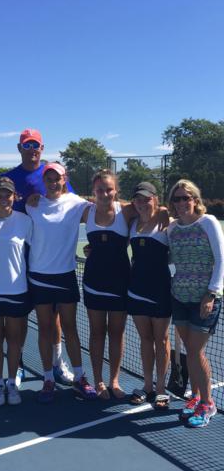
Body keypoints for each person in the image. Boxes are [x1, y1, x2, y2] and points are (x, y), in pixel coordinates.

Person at [0, 129, 74, 386]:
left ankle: (59, 363)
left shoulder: (53, 173)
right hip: (18, 260)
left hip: (49, 260)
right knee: (22, 315)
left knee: (55, 318)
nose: (32, 149)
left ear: (42, 147)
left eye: (36, 144)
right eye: (27, 145)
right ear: (20, 148)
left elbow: (73, 202)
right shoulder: (9, 178)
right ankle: (19, 363)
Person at [26, 162, 97, 402]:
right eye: (49, 179)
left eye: (57, 178)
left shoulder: (77, 203)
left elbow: (108, 210)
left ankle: (80, 377)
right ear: (43, 181)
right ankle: (48, 379)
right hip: (39, 276)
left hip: (65, 275)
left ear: (64, 179)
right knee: (45, 329)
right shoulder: (32, 205)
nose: (53, 182)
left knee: (70, 328)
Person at [167, 179, 224, 427]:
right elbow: (167, 257)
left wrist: (211, 294)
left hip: (204, 300)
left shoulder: (207, 223)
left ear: (195, 200)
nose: (181, 203)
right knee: (189, 351)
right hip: (179, 297)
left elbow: (222, 260)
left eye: (186, 198)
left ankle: (208, 403)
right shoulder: (172, 229)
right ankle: (197, 395)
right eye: (177, 199)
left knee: (195, 351)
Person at [0, 177, 32, 406]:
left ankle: (12, 383)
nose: (3, 198)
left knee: (13, 340)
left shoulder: (25, 222)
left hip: (18, 290)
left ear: (14, 197)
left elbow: (39, 246)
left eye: (7, 194)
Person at [82, 170, 130, 399]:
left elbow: (155, 209)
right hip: (94, 282)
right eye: (100, 189)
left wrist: (162, 213)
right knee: (97, 333)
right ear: (94, 191)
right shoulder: (86, 211)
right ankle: (99, 381)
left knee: (117, 333)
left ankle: (114, 381)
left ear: (116, 191)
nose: (105, 193)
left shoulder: (127, 210)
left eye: (109, 189)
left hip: (121, 282)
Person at [127, 182, 171, 409]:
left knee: (162, 340)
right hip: (136, 291)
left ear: (156, 199)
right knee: (145, 339)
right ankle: (147, 386)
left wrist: (165, 210)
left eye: (147, 198)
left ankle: (161, 389)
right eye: (138, 199)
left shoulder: (167, 224)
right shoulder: (132, 224)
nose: (143, 203)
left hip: (161, 291)